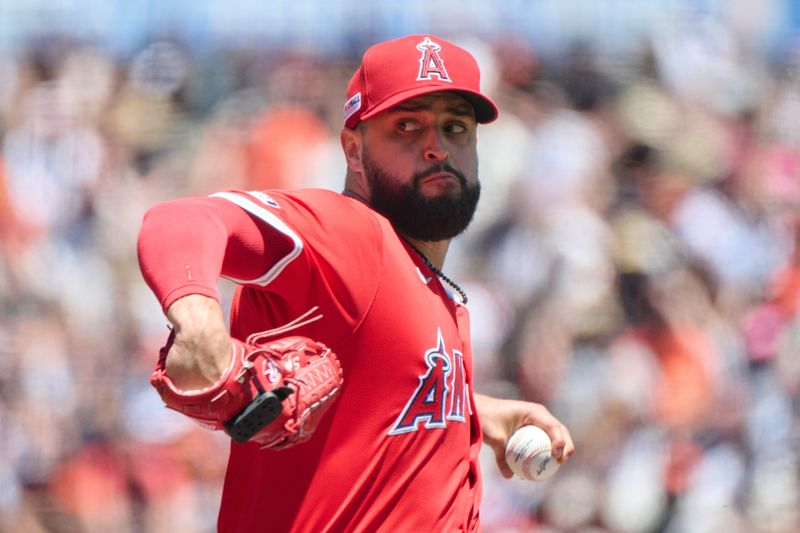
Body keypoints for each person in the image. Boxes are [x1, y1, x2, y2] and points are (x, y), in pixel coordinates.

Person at [137, 34, 575, 532]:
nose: (437, 147)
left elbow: (375, 389)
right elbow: (182, 220)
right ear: (353, 150)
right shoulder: (353, 237)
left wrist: (471, 413)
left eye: (456, 127)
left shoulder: (430, 286)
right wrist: (198, 322)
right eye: (407, 126)